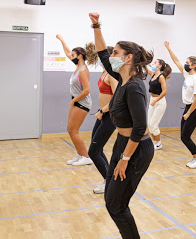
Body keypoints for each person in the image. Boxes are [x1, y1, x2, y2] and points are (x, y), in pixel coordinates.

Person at [89, 13, 154, 239]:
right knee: (111, 199)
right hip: (123, 143)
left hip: (136, 149)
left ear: (128, 58)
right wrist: (96, 25)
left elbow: (140, 128)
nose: (111, 56)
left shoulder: (134, 86)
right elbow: (102, 53)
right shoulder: (121, 75)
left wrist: (125, 159)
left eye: (116, 52)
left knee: (117, 205)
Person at [164, 41, 196, 169]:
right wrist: (168, 48)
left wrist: (188, 113)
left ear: (193, 65)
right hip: (188, 108)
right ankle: (195, 157)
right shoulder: (187, 75)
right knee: (184, 136)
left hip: (195, 109)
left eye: (187, 63)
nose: (185, 65)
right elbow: (176, 61)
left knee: (185, 137)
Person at [56, 34, 95, 166]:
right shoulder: (78, 67)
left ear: (79, 56)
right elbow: (67, 52)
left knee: (74, 130)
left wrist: (73, 101)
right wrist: (62, 40)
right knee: (70, 129)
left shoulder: (83, 71)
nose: (70, 57)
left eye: (73, 55)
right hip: (77, 101)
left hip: (82, 102)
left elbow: (87, 90)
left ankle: (85, 156)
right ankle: (79, 154)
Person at [88, 46, 118, 194]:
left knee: (93, 152)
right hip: (102, 116)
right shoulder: (104, 71)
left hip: (109, 116)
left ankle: (108, 182)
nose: (100, 59)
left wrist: (102, 110)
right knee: (96, 149)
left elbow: (117, 99)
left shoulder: (112, 75)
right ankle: (108, 180)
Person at [146, 59, 172, 150]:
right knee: (149, 124)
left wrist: (155, 101)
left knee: (153, 124)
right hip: (152, 100)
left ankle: (158, 143)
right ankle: (154, 143)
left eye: (155, 63)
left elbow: (164, 91)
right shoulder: (153, 74)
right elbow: (145, 68)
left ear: (160, 66)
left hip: (159, 102)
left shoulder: (161, 77)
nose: (153, 64)